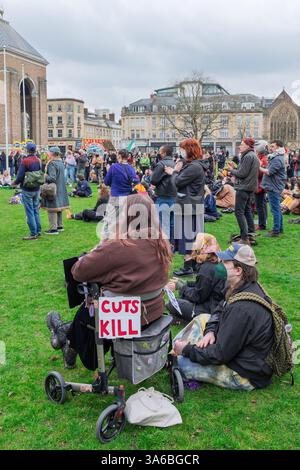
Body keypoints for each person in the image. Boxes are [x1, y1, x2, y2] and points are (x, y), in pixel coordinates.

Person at [46, 194, 172, 369]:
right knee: (92, 304)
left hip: (121, 316)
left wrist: (100, 246)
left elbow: (78, 272)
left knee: (88, 308)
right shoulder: (161, 242)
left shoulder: (118, 245)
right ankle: (64, 333)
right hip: (152, 311)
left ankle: (65, 336)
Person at [173, 243, 274, 391]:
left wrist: (188, 350)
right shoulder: (239, 286)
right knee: (203, 318)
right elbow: (220, 309)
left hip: (245, 373)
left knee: (179, 362)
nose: (220, 264)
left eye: (226, 262)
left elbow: (220, 354)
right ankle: (179, 347)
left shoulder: (242, 309)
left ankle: (178, 349)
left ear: (238, 270)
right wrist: (210, 331)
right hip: (240, 353)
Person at [165, 139, 206, 276]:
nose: (180, 151)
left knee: (187, 237)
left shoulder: (194, 167)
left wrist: (174, 172)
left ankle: (188, 265)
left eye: (183, 148)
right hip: (189, 204)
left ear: (189, 150)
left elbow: (177, 182)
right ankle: (193, 264)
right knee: (190, 236)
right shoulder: (192, 165)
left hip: (189, 206)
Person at [166, 234, 226, 322]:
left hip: (209, 311)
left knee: (171, 304)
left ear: (203, 247)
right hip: (216, 305)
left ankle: (184, 318)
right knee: (183, 295)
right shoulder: (217, 263)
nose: (194, 245)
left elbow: (197, 297)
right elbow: (203, 285)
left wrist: (182, 287)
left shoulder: (206, 269)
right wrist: (186, 283)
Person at [227, 138, 260, 245]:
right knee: (247, 211)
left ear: (247, 146)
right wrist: (235, 167)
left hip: (244, 188)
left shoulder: (248, 156)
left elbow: (242, 174)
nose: (239, 146)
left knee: (239, 212)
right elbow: (245, 172)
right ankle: (251, 234)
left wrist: (231, 170)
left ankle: (245, 238)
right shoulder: (252, 156)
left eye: (241, 144)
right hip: (249, 187)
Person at [102, 149, 137, 240]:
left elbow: (106, 182)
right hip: (127, 197)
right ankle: (120, 239)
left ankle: (106, 241)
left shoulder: (114, 167)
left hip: (116, 196)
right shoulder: (131, 168)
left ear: (120, 156)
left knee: (110, 219)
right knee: (123, 220)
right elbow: (136, 181)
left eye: (118, 155)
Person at [11, 142, 42, 241]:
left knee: (29, 211)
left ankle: (33, 233)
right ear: (35, 150)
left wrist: (14, 183)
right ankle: (38, 231)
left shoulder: (25, 161)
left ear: (27, 150)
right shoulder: (38, 160)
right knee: (35, 210)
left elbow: (20, 176)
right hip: (36, 188)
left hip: (27, 189)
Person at [260, 140, 287, 237]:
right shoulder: (276, 157)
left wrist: (258, 167)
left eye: (273, 146)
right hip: (274, 185)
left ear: (279, 147)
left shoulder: (277, 159)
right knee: (277, 209)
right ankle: (280, 229)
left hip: (274, 186)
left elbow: (269, 172)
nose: (271, 148)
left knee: (275, 209)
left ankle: (276, 231)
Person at [150, 145, 177, 243]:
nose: (158, 153)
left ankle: (165, 245)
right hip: (174, 196)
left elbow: (153, 180)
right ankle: (171, 244)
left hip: (163, 196)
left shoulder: (160, 164)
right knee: (172, 222)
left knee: (163, 222)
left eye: (160, 152)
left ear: (164, 153)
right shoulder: (176, 164)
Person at [41, 147, 70, 235]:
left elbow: (52, 178)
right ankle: (59, 226)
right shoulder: (60, 162)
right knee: (59, 207)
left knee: (52, 208)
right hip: (61, 187)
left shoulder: (52, 163)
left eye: (49, 152)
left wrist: (45, 176)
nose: (48, 154)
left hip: (54, 188)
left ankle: (53, 229)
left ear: (52, 153)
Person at [254, 141, 269, 231]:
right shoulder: (261, 158)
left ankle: (262, 224)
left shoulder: (263, 159)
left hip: (260, 185)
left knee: (260, 205)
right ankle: (263, 222)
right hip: (260, 184)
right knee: (262, 204)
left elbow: (261, 173)